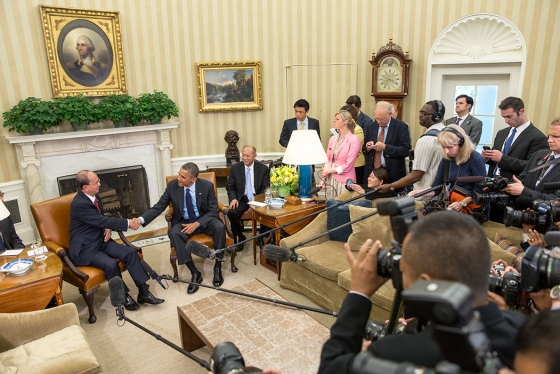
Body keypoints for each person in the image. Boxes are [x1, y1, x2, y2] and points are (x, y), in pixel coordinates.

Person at [318, 211, 525, 373]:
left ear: (426, 284)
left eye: (404, 270)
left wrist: (358, 294)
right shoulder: (526, 331)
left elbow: (331, 367)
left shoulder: (393, 354)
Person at [69, 170, 163, 311]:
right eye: (96, 182)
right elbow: (99, 219)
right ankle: (123, 296)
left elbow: (99, 220)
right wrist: (127, 223)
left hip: (100, 240)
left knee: (130, 252)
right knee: (111, 265)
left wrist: (106, 226)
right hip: (86, 248)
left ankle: (144, 292)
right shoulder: (79, 203)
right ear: (85, 187)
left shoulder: (94, 197)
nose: (100, 184)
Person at [136, 162, 226, 293]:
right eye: (179, 174)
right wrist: (140, 219)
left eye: (183, 177)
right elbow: (159, 206)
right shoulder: (173, 186)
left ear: (193, 179)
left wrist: (197, 223)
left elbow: (213, 211)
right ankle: (195, 273)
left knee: (219, 226)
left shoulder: (206, 186)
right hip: (183, 220)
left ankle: (217, 267)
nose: (178, 178)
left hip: (204, 219)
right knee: (174, 233)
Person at [408, 125, 487, 211]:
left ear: (461, 143)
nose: (446, 151)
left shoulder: (475, 157)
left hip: (472, 206)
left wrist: (463, 203)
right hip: (454, 204)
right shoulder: (446, 160)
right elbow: (436, 188)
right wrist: (416, 193)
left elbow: (480, 189)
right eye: (443, 147)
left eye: (450, 147)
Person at [377, 100, 445, 196]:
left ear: (436, 116)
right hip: (440, 195)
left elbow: (416, 176)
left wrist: (390, 186)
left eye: (424, 113)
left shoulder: (425, 141)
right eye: (420, 112)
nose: (420, 115)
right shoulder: (446, 133)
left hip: (424, 197)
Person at [482, 97, 548, 181]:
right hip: (492, 181)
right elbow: (496, 161)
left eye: (509, 117)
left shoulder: (538, 137)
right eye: (504, 117)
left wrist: (502, 159)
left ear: (521, 112)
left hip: (514, 184)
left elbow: (531, 166)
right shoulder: (502, 133)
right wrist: (488, 158)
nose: (506, 121)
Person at [503, 116, 560, 205]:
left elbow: (557, 200)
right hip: (522, 212)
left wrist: (524, 192)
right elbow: (522, 179)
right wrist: (504, 185)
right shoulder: (539, 154)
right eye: (549, 135)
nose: (549, 140)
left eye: (555, 136)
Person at [226, 146, 270, 250]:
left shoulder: (263, 168)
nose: (244, 158)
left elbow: (265, 188)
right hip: (242, 198)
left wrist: (255, 203)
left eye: (247, 156)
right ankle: (240, 236)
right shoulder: (235, 168)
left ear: (255, 156)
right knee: (232, 212)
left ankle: (261, 235)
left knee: (268, 212)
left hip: (257, 197)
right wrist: (233, 198)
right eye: (243, 155)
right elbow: (230, 186)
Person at [363, 101, 411, 186]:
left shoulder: (401, 127)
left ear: (390, 114)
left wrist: (385, 147)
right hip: (373, 173)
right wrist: (368, 147)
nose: (378, 122)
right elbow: (364, 149)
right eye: (376, 118)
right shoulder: (371, 126)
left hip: (393, 174)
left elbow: (405, 150)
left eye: (382, 119)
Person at [319, 110, 361, 200]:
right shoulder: (332, 139)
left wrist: (329, 171)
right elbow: (328, 160)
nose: (334, 121)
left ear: (345, 122)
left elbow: (348, 165)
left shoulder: (354, 140)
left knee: (343, 208)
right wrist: (323, 178)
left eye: (337, 119)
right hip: (331, 179)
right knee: (330, 206)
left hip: (345, 180)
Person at [340, 104, 366, 184]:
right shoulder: (340, 128)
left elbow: (353, 148)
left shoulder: (357, 129)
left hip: (355, 165)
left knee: (353, 190)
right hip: (342, 164)